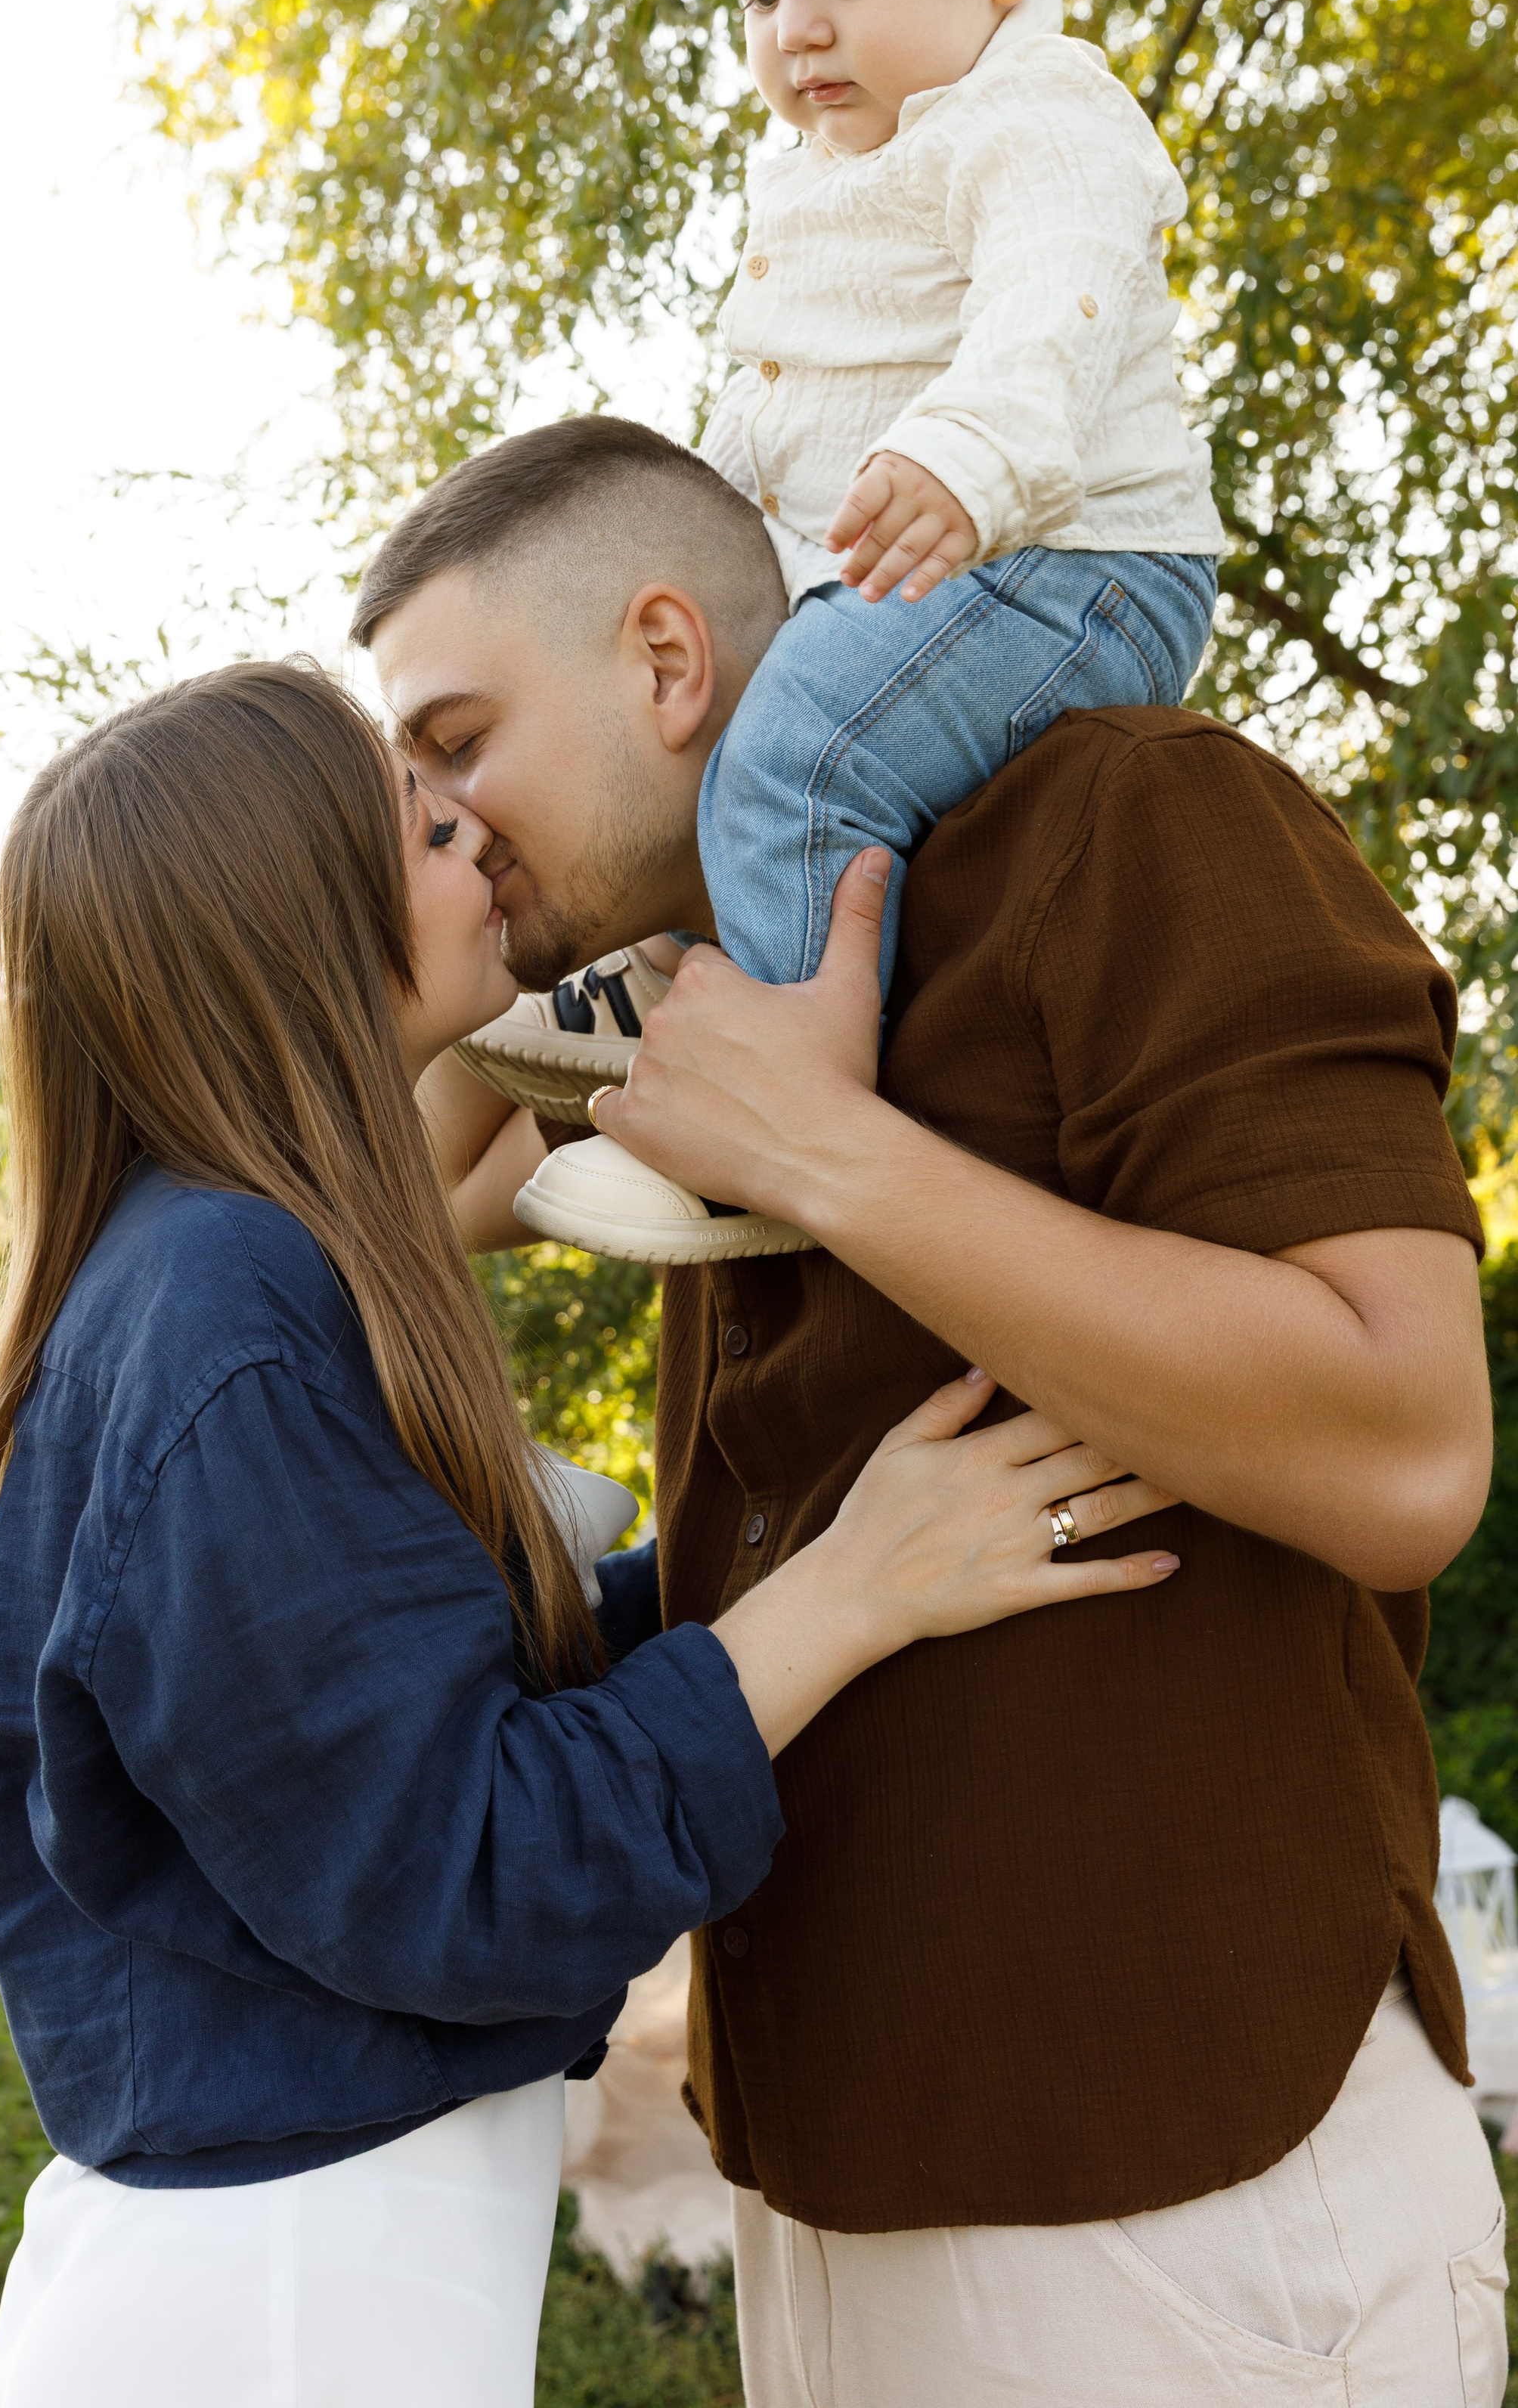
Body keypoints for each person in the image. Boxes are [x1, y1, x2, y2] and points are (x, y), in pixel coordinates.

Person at [357, 419, 1507, 2405]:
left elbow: (1412, 1447)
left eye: (459, 746)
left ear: (663, 658)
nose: (439, 820)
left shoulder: (1138, 819)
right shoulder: (678, 999)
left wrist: (835, 1160)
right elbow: (348, 1226)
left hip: (1178, 2191)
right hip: (823, 2180)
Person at [0, 659, 1175, 2408]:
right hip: (282, 2312)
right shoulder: (224, 1307)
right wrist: (844, 1594)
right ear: (301, 921)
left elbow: (410, 1714)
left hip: (293, 2270)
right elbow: (460, 1870)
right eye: (429, 828)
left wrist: (795, 1543)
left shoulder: (209, 1268)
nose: (483, 855)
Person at [496, 0, 1224, 1261]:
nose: (795, 32)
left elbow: (1058, 303)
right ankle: (674, 993)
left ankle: (785, 1121)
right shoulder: (826, 158)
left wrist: (967, 455)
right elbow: (778, 398)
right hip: (931, 568)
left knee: (800, 753)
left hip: (1071, 562)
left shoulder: (1034, 119)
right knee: (696, 716)